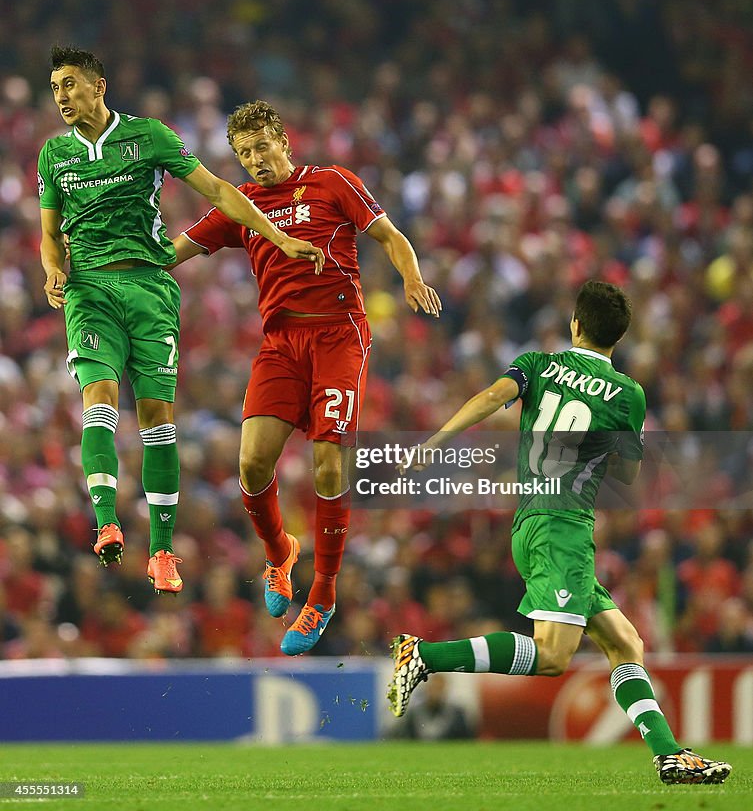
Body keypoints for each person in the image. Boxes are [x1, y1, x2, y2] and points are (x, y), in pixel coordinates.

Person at [388, 280, 731, 786]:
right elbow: (629, 475)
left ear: (575, 323)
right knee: (552, 656)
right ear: (621, 338)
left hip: (532, 522)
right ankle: (424, 655)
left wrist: (435, 442)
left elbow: (490, 397)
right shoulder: (629, 395)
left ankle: (669, 755)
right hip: (564, 528)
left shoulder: (537, 365)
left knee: (625, 643)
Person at [38, 47, 324, 595]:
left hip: (149, 287)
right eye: (55, 89)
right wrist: (53, 269)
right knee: (98, 398)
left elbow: (218, 190)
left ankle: (163, 550)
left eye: (70, 85)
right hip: (89, 288)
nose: (62, 97)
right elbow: (50, 235)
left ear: (99, 86)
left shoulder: (149, 136)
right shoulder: (53, 155)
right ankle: (106, 524)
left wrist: (280, 236)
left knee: (155, 414)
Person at [170, 99, 441, 653]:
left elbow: (390, 236)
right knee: (250, 463)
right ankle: (279, 554)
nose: (254, 160)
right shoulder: (240, 206)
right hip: (281, 343)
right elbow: (173, 252)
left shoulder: (331, 182)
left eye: (261, 147)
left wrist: (411, 277)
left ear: (283, 140)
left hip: (339, 335)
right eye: (243, 153)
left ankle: (322, 593)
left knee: (327, 461)